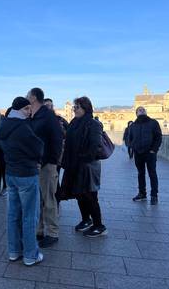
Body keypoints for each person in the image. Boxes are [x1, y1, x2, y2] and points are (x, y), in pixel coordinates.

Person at [0, 97, 44, 266]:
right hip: (26, 174)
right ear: (21, 109)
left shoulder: (3, 126)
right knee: (30, 216)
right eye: (27, 109)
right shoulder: (23, 127)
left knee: (13, 215)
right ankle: (31, 255)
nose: (30, 112)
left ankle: (13, 251)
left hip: (10, 174)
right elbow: (38, 148)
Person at [58, 96, 108, 238]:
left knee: (90, 195)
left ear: (85, 108)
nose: (74, 109)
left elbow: (94, 146)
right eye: (74, 107)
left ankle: (99, 225)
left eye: (77, 107)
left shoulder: (94, 124)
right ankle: (86, 220)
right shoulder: (74, 122)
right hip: (74, 164)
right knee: (79, 193)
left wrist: (82, 158)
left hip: (88, 166)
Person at [27, 88, 63, 248]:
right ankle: (39, 230)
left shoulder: (48, 116)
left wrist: (50, 161)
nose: (26, 98)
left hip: (46, 165)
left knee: (49, 199)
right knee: (38, 199)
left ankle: (53, 233)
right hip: (35, 164)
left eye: (28, 96)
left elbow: (57, 139)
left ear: (34, 97)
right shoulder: (32, 115)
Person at [129, 106, 162, 205]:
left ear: (146, 112)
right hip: (138, 153)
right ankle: (142, 193)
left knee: (152, 174)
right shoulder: (133, 125)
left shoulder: (153, 123)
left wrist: (154, 150)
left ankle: (154, 195)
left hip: (150, 153)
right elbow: (129, 138)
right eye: (139, 110)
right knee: (140, 174)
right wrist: (133, 147)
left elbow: (158, 137)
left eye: (143, 109)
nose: (142, 110)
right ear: (136, 113)